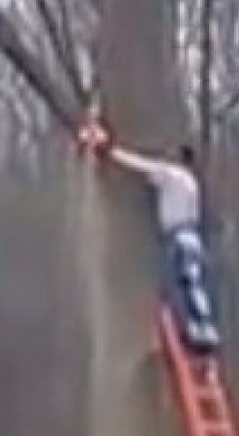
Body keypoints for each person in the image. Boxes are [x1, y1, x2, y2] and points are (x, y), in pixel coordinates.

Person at [81, 123, 224, 355]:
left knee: (174, 287)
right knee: (194, 284)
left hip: (176, 238)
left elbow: (139, 167)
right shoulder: (191, 182)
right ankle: (204, 329)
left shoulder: (169, 174)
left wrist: (109, 150)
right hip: (193, 238)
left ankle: (186, 331)